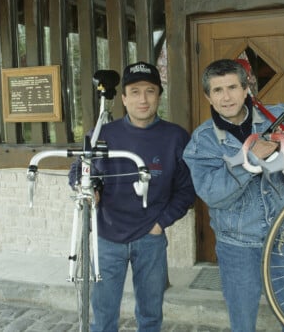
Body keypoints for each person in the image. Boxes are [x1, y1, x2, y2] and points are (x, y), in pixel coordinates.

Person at [182, 59, 284, 332]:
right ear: (208, 96)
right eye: (217, 90)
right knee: (243, 323)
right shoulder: (202, 141)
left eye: (232, 87)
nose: (226, 97)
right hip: (237, 245)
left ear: (246, 88)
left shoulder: (275, 116)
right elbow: (213, 194)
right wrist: (250, 159)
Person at [69, 61, 196, 332]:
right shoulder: (102, 134)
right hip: (107, 238)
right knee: (103, 317)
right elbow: (78, 171)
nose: (143, 99)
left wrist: (160, 224)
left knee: (150, 316)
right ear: (123, 98)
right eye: (135, 92)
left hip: (150, 239)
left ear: (159, 96)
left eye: (150, 91)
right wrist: (90, 189)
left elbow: (186, 190)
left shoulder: (175, 137)